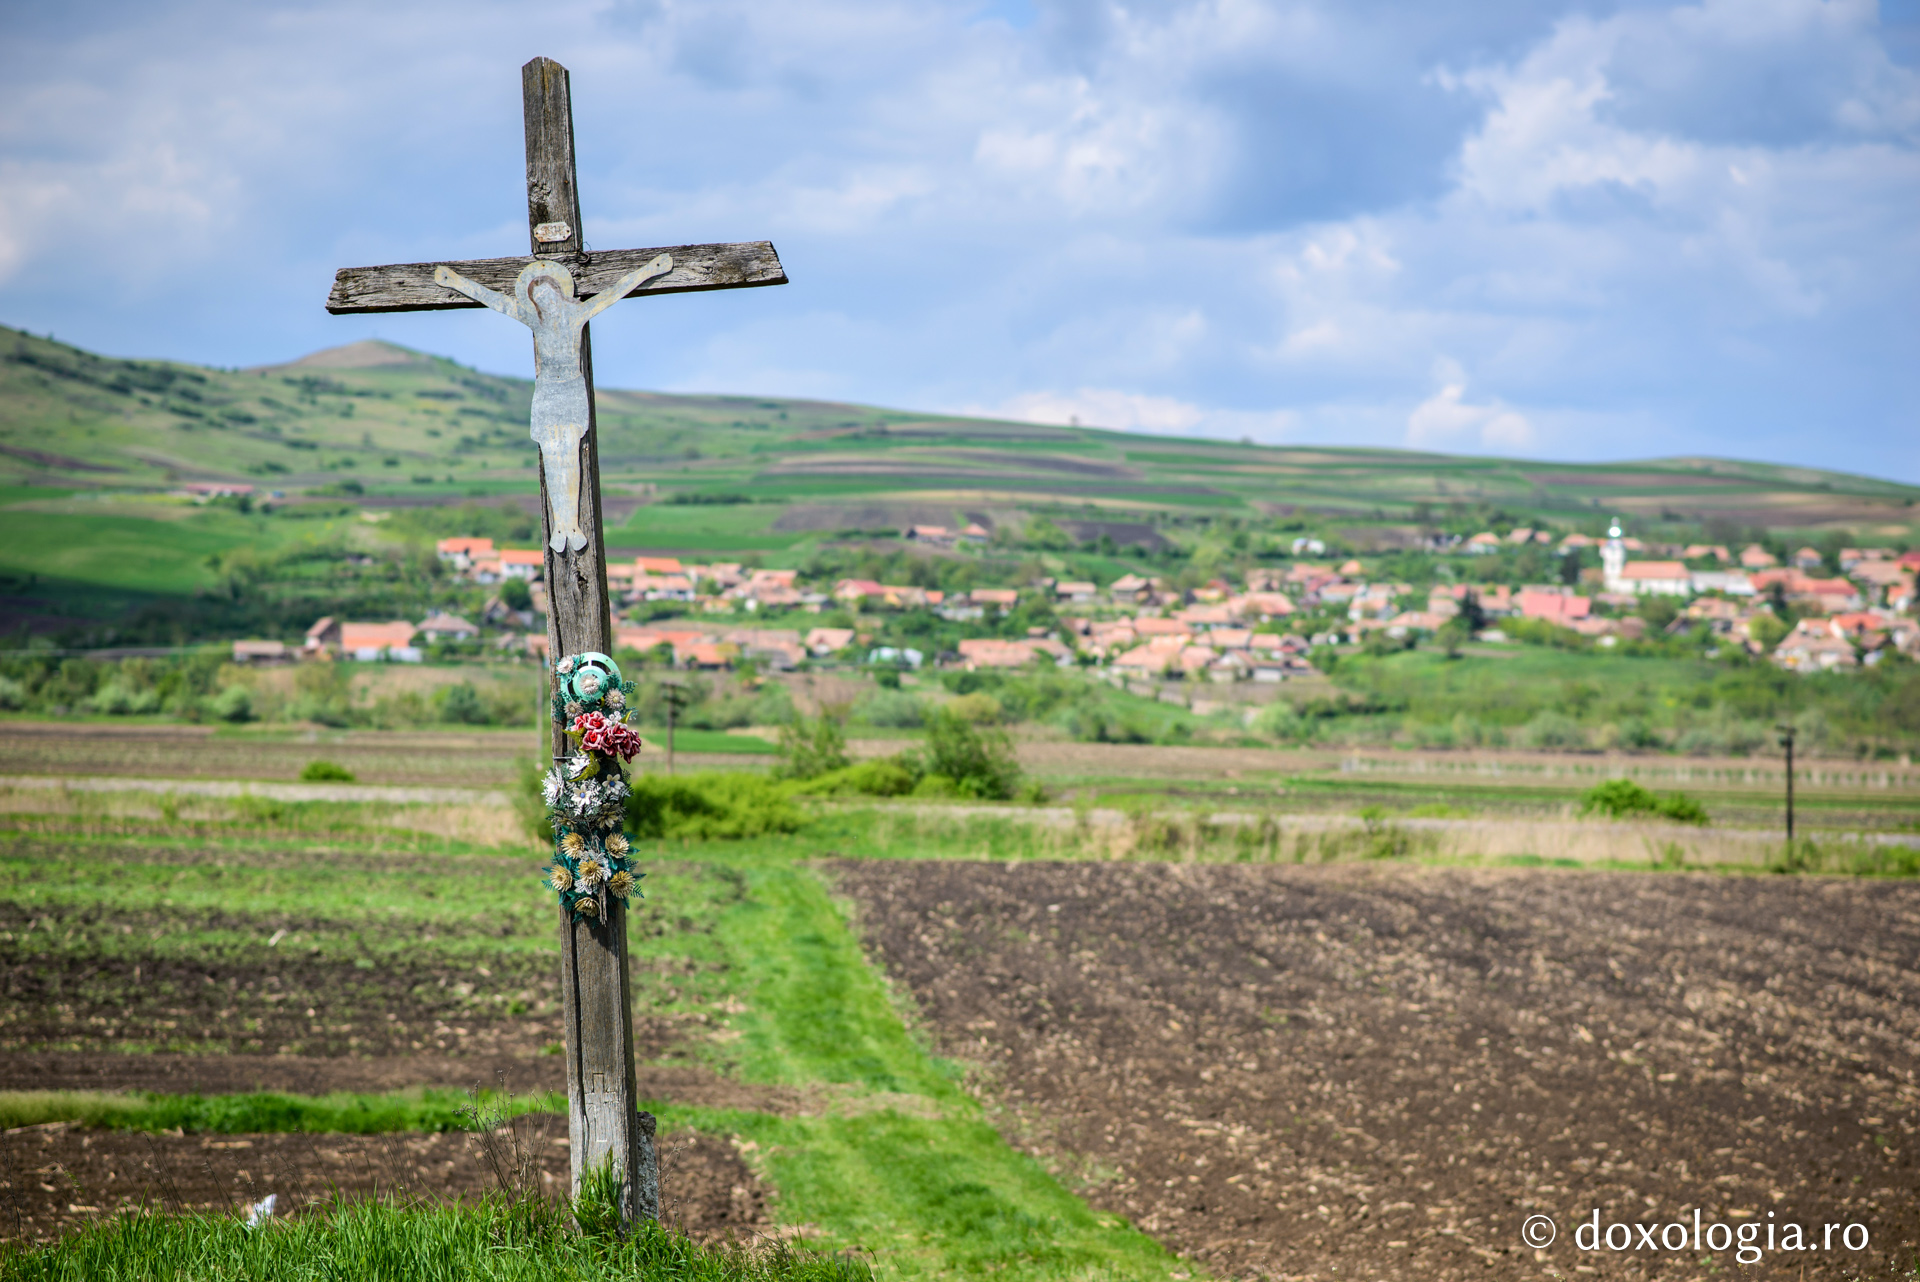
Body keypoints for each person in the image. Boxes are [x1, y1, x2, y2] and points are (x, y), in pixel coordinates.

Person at [433, 254, 672, 553]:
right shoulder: (536, 320)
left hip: (570, 392)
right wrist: (455, 282)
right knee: (551, 456)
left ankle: (572, 524)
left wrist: (649, 270)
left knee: (569, 454)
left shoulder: (577, 313)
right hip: (546, 394)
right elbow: (496, 301)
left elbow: (613, 293)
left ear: (559, 292)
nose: (545, 302)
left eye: (548, 295)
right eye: (539, 299)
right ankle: (559, 526)